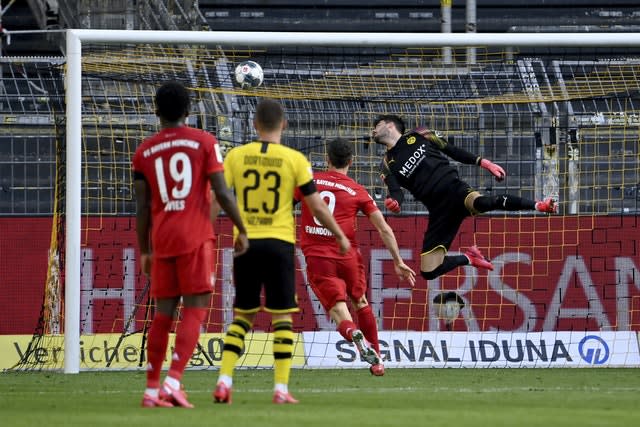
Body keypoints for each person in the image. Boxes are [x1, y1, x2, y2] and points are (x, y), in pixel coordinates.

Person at [213, 99, 351, 405]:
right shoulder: (295, 160)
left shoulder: (236, 155)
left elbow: (219, 197)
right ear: (284, 125)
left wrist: (204, 229)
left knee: (243, 315)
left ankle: (224, 380)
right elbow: (315, 205)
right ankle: (280, 388)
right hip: (278, 244)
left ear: (254, 126)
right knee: (283, 319)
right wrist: (339, 234)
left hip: (245, 242)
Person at [133, 81, 249, 408]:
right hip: (195, 236)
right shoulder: (204, 142)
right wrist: (243, 228)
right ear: (189, 110)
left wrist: (144, 250)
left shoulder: (143, 152)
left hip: (162, 238)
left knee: (163, 315)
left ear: (156, 111)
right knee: (195, 310)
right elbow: (223, 193)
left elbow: (142, 208)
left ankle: (152, 389)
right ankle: (173, 382)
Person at [371, 114, 557, 282]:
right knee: (428, 271)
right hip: (438, 211)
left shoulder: (420, 133)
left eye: (376, 126)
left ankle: (539, 205)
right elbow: (396, 193)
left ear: (389, 125)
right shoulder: (386, 165)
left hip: (455, 190)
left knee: (483, 202)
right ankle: (469, 258)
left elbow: (452, 150)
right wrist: (394, 202)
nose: (372, 130)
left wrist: (485, 163)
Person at [296, 138, 416, 376]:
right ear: (351, 162)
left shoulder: (308, 183)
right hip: (348, 255)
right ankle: (378, 360)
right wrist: (398, 261)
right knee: (360, 301)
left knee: (338, 309)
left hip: (319, 256)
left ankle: (353, 334)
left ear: (327, 159)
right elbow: (383, 228)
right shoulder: (359, 191)